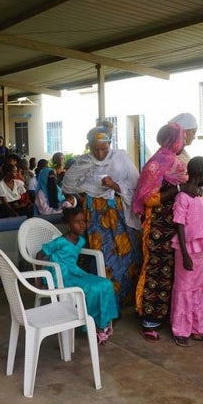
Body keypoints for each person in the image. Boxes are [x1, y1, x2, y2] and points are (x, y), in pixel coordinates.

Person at [62, 121, 142, 307]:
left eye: (104, 149)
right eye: (95, 150)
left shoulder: (121, 159)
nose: (100, 154)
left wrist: (114, 185)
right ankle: (106, 302)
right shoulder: (84, 162)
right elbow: (68, 185)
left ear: (110, 144)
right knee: (103, 257)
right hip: (96, 217)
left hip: (120, 214)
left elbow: (136, 186)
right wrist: (85, 200)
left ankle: (124, 299)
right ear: (89, 146)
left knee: (127, 253)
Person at [133, 123, 189, 341]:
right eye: (182, 138)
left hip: (174, 221)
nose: (183, 142)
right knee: (158, 267)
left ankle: (166, 315)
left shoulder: (167, 159)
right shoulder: (160, 162)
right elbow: (149, 198)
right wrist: (176, 189)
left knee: (172, 269)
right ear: (174, 140)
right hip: (159, 224)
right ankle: (150, 319)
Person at [38, 207, 119, 344]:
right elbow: (39, 254)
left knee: (105, 284)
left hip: (75, 272)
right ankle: (95, 326)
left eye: (84, 221)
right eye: (77, 222)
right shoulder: (60, 242)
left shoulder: (81, 240)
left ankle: (103, 322)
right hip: (61, 276)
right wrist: (39, 280)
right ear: (68, 225)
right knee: (91, 289)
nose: (82, 225)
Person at [170, 156, 203, 347]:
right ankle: (181, 330)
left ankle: (201, 329)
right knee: (184, 289)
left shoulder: (201, 197)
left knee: (199, 289)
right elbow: (180, 225)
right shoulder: (182, 197)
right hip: (185, 250)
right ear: (199, 174)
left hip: (199, 250)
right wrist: (184, 254)